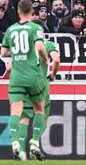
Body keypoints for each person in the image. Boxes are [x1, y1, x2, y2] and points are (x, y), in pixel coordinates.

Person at [0, 0, 48, 160]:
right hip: (33, 75)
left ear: (19, 11)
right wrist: (45, 59)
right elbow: (40, 47)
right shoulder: (35, 28)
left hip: (17, 77)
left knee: (15, 112)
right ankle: (34, 141)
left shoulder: (11, 29)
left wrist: (16, 52)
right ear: (31, 12)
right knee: (39, 110)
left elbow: (3, 53)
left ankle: (15, 142)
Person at [16, 20, 60, 160]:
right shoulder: (48, 45)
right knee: (41, 114)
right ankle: (35, 142)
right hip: (41, 84)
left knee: (24, 117)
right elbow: (57, 60)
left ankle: (21, 151)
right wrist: (52, 75)